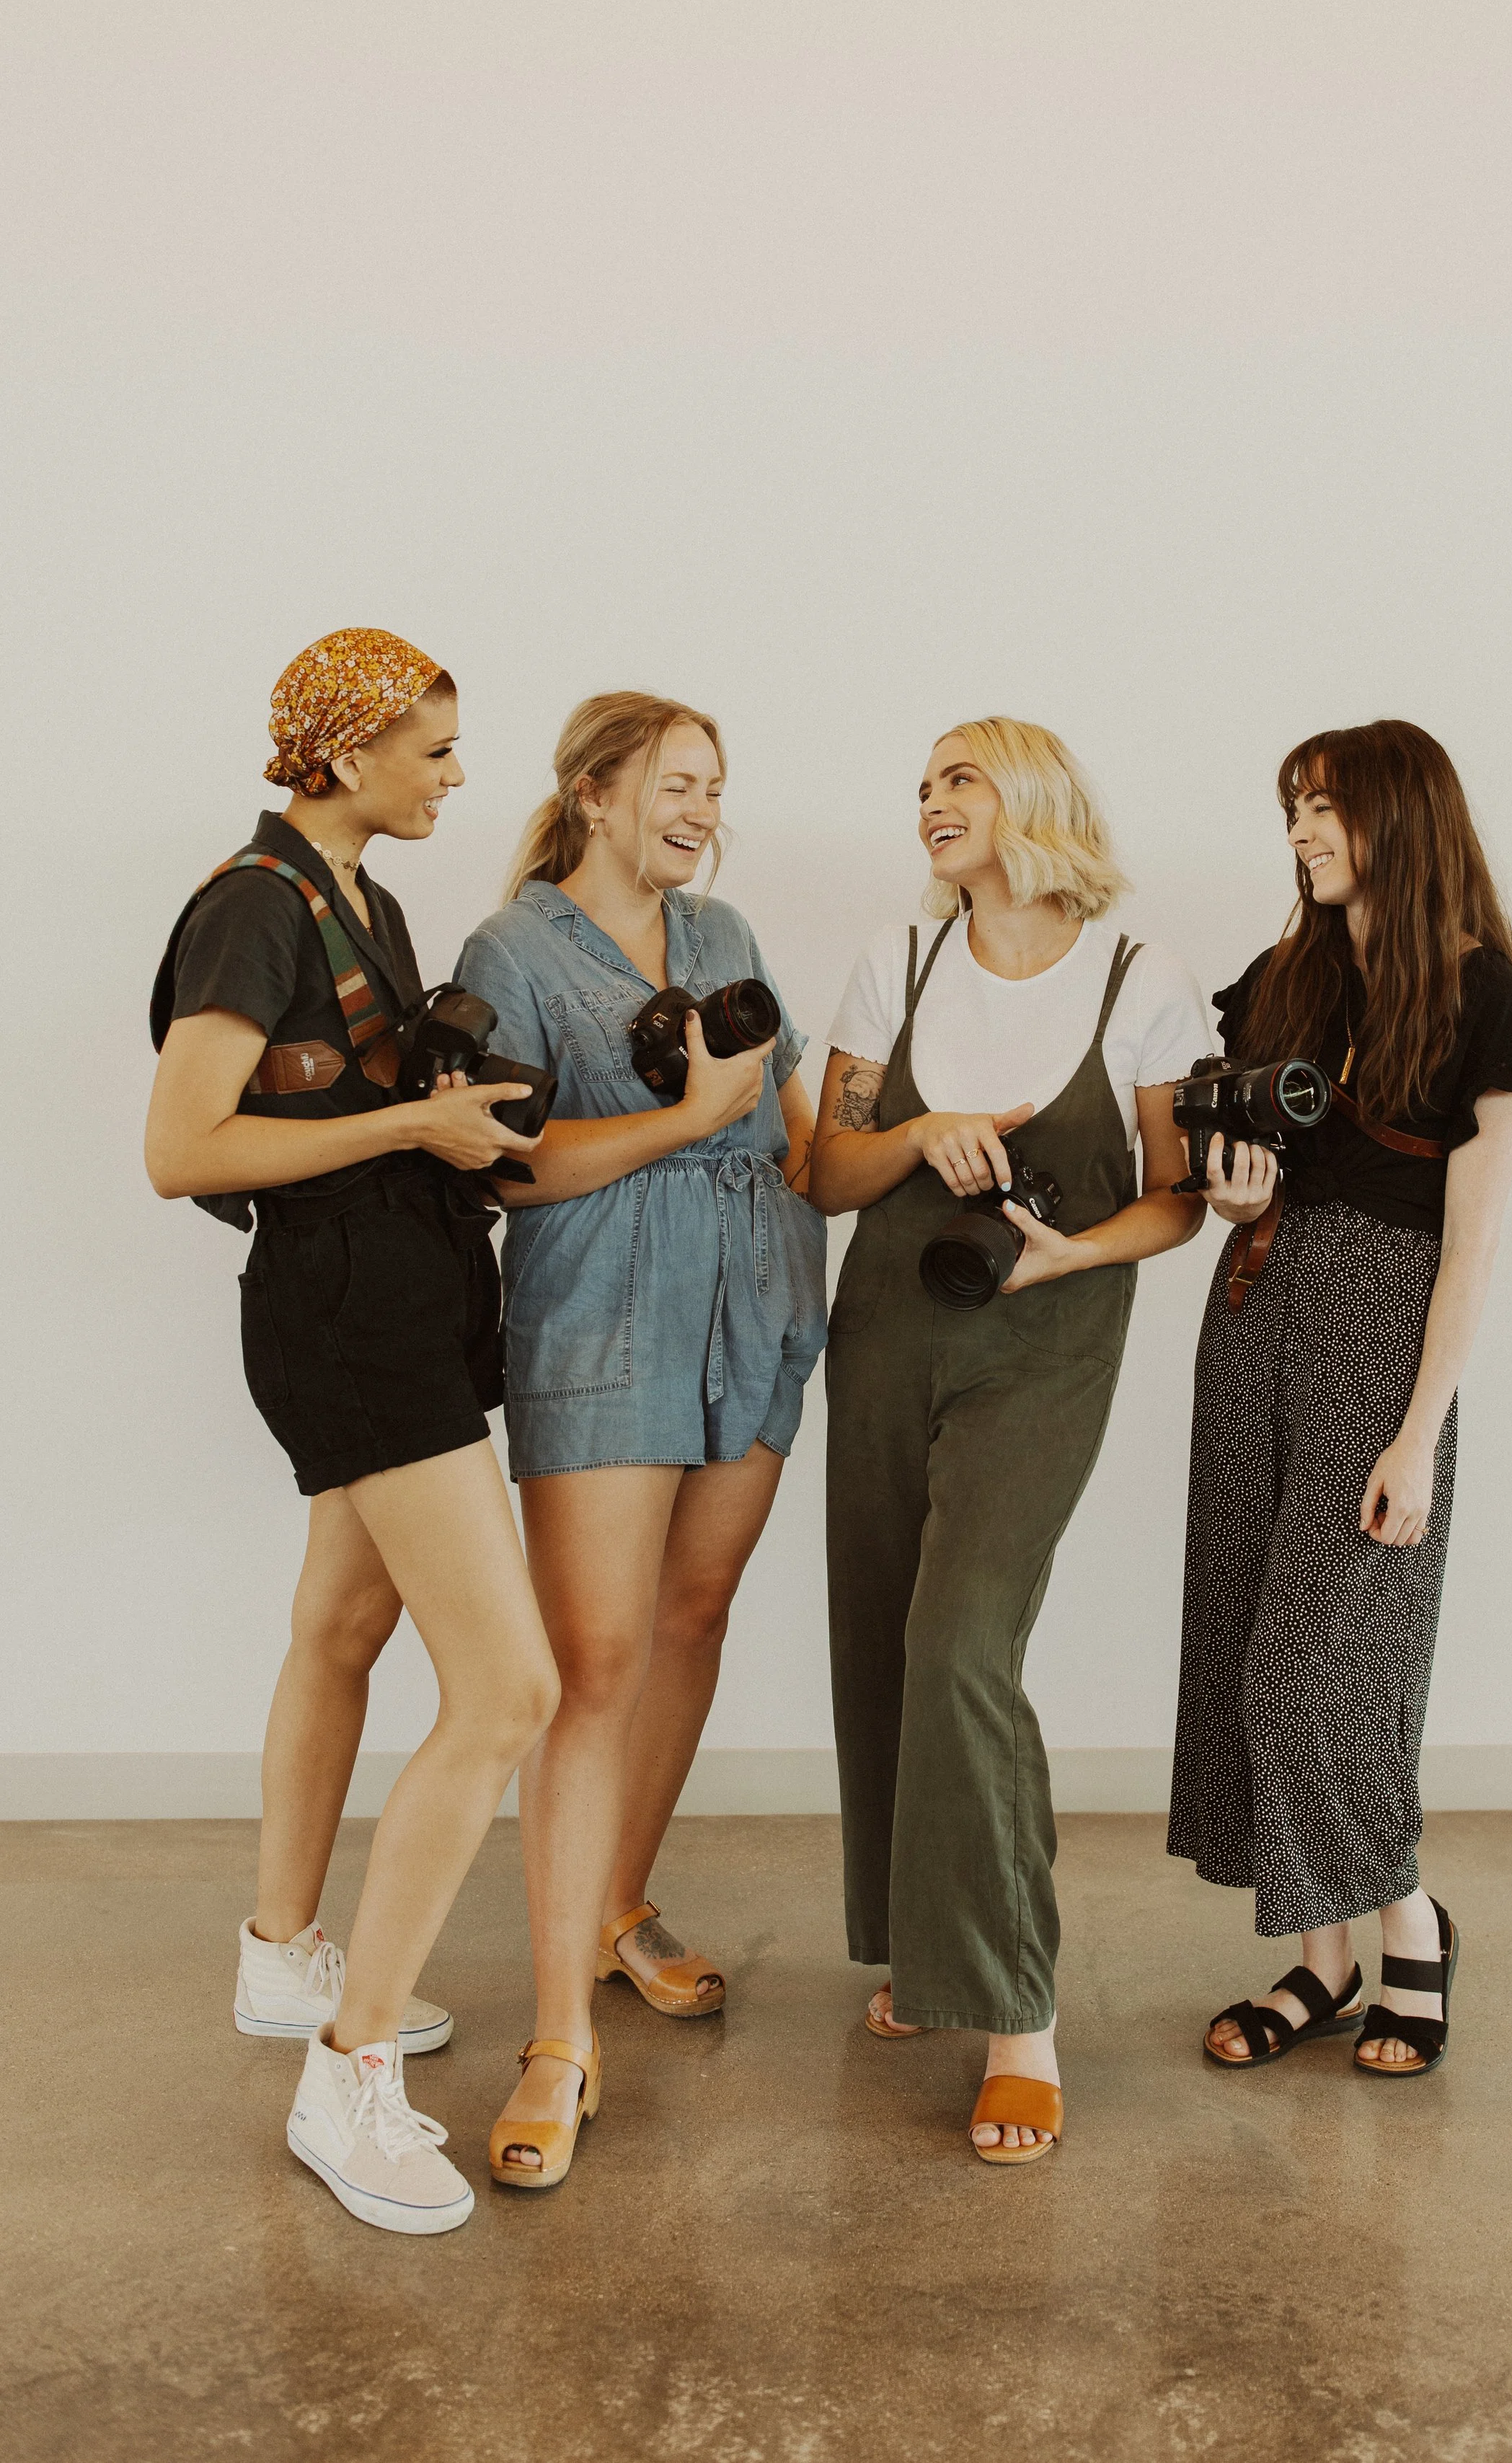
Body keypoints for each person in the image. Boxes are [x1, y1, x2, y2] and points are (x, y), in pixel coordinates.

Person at [144, 629, 560, 2234]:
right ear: (344, 753)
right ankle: (353, 2070)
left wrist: (450, 1143)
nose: (457, 777)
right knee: (507, 1689)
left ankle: (277, 1956)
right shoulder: (254, 906)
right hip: (349, 1319)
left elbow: (330, 1113)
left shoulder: (366, 902)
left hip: (399, 1291)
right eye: (434, 750)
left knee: (342, 1621)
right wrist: (414, 1122)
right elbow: (183, 1147)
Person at [811, 717, 1211, 2162]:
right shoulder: (897, 963)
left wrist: (1067, 1254)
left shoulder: (1137, 981)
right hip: (885, 1332)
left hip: (1042, 1339)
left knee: (961, 1641)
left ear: (1028, 795)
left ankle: (1014, 2010)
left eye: (956, 779)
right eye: (918, 784)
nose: (927, 803)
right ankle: (928, 1957)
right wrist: (921, 1138)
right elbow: (822, 1169)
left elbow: (1172, 1199)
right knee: (879, 1633)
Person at [452, 691, 827, 2190]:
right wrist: (686, 1117)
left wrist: (925, 1136)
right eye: (676, 784)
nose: (701, 809)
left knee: (691, 1615)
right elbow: (510, 1172)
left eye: (715, 788)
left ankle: (614, 1905)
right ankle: (557, 2042)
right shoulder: (512, 952)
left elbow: (797, 1137)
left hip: (754, 1304)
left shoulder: (726, 935)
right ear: (596, 795)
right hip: (601, 1318)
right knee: (590, 1664)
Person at [1169, 717, 1512, 2079]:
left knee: (1321, 1662)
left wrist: (1420, 1430)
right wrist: (1232, 1187)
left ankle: (1410, 1920)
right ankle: (1324, 1962)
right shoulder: (1282, 978)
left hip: (1382, 1331)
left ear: (1402, 816)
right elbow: (1215, 1151)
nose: (1301, 830)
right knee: (1244, 1635)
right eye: (1293, 806)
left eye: (1329, 805)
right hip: (1253, 1306)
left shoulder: (1481, 997)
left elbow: (1473, 1243)